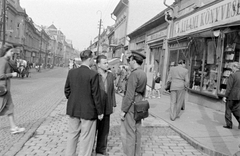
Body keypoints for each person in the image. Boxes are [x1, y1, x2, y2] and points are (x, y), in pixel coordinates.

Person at [64, 50, 103, 156]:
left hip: (73, 109)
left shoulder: (72, 72)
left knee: (72, 135)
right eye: (93, 59)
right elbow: (96, 95)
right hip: (88, 111)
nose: (94, 61)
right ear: (89, 59)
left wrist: (74, 100)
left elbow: (67, 90)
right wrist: (100, 112)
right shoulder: (93, 74)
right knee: (86, 138)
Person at [120, 50, 147, 156]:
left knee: (130, 133)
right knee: (138, 131)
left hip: (131, 106)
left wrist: (123, 110)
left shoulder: (134, 74)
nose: (129, 62)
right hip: (139, 104)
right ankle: (137, 153)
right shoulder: (143, 73)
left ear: (134, 61)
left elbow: (129, 95)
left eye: (130, 60)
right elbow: (143, 91)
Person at [0, 44, 25, 134]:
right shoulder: (3, 61)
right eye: (11, 51)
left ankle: (13, 127)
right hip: (2, 90)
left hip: (6, 89)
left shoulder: (7, 61)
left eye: (13, 52)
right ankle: (13, 127)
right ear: (6, 51)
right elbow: (0, 75)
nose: (12, 53)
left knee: (10, 108)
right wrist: (11, 75)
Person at [95, 55, 116, 156]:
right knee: (93, 129)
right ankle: (90, 149)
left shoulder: (110, 75)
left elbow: (112, 91)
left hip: (107, 106)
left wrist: (113, 104)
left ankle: (101, 149)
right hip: (96, 106)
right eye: (105, 63)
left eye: (107, 62)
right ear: (98, 64)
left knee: (104, 130)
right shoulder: (94, 75)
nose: (107, 64)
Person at [223, 62, 240, 129]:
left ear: (235, 67)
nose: (231, 69)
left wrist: (225, 96)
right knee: (237, 110)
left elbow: (229, 87)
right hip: (239, 96)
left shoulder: (233, 75)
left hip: (232, 95)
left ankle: (229, 124)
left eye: (232, 67)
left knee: (228, 109)